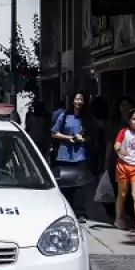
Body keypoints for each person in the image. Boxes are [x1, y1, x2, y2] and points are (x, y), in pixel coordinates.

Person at [51, 92, 90, 223]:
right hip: (64, 155)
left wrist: (83, 139)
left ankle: (80, 213)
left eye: (81, 99)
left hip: (80, 155)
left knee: (80, 185)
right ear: (72, 101)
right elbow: (54, 133)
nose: (79, 102)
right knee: (66, 184)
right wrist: (70, 138)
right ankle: (66, 211)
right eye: (77, 99)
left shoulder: (87, 119)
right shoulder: (65, 116)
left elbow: (93, 137)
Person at [102, 96, 135, 224]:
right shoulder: (114, 123)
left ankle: (130, 214)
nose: (126, 107)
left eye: (128, 104)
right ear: (118, 107)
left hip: (134, 162)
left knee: (133, 190)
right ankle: (117, 215)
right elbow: (110, 143)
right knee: (118, 190)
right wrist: (106, 161)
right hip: (116, 161)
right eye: (123, 105)